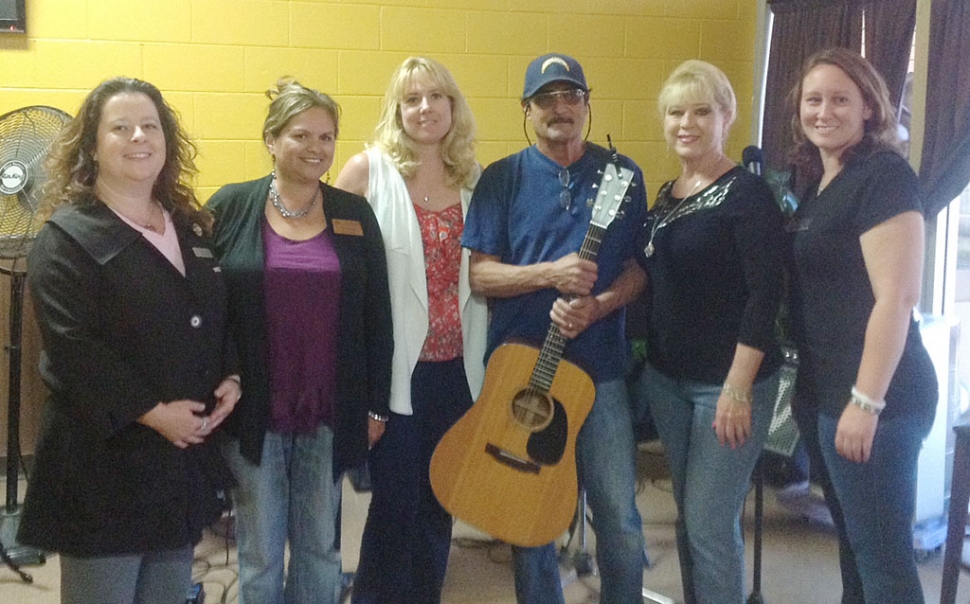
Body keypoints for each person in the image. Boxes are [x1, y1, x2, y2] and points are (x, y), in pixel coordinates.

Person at [17, 76, 240, 604]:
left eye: (149, 126)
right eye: (120, 128)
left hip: (179, 462)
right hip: (104, 465)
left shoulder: (187, 226)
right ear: (92, 146)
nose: (138, 137)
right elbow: (75, 351)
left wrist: (230, 372)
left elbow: (212, 312)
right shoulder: (65, 238)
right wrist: (154, 413)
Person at [462, 52, 647, 604]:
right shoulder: (502, 178)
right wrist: (550, 274)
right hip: (521, 373)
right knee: (527, 514)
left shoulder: (623, 175)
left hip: (601, 373)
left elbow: (638, 269)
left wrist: (600, 303)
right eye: (546, 98)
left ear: (588, 105)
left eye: (571, 96)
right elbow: (480, 276)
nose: (559, 108)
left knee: (618, 513)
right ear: (526, 109)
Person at [208, 78, 393, 604]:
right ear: (271, 139)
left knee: (320, 548)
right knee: (261, 551)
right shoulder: (230, 206)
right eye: (300, 135)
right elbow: (207, 307)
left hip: (331, 408)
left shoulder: (353, 214)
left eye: (327, 137)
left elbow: (377, 315)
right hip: (254, 407)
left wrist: (376, 404)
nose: (316, 148)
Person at [630, 60, 786, 604]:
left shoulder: (746, 194)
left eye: (701, 110)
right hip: (668, 382)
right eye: (676, 112)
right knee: (692, 519)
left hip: (728, 387)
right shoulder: (668, 193)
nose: (686, 123)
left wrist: (737, 389)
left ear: (726, 117)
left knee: (708, 524)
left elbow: (766, 297)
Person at [333, 56, 487, 604]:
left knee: (439, 500)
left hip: (457, 371)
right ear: (397, 110)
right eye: (412, 99)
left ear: (452, 106)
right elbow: (339, 279)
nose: (425, 108)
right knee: (395, 502)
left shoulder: (475, 180)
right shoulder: (367, 173)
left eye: (435, 97)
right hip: (393, 374)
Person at [786, 47, 937, 604]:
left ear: (870, 107)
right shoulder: (821, 180)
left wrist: (865, 403)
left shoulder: (884, 176)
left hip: (879, 399)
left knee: (884, 567)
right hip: (827, 394)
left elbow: (896, 298)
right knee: (854, 549)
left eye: (840, 99)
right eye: (813, 99)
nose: (824, 111)